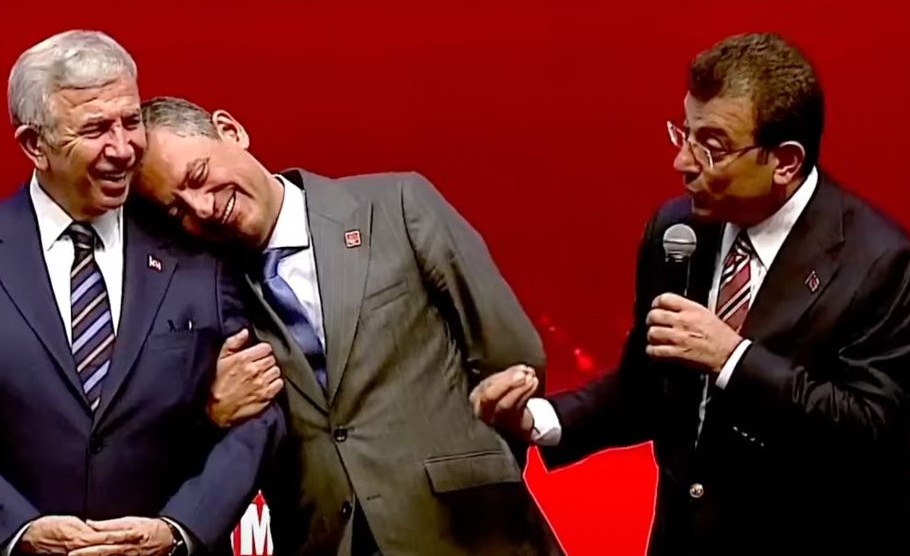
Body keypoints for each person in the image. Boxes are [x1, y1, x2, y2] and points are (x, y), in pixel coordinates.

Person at [473, 32, 910, 556]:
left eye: (712, 148)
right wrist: (538, 419)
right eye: (683, 134)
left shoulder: (879, 262)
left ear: (786, 162)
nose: (683, 162)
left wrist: (732, 359)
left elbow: (872, 434)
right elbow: (647, 389)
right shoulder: (678, 232)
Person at [132, 95, 564, 555]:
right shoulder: (207, 296)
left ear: (231, 130)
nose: (201, 208)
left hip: (474, 531)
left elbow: (510, 355)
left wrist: (473, 469)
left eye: (198, 175)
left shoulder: (397, 205)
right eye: (177, 210)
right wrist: (212, 413)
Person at [0, 30, 285, 556]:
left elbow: (258, 413)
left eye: (131, 121)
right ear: (34, 145)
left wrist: (178, 528)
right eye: (95, 129)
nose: (123, 148)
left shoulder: (199, 250)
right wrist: (19, 531)